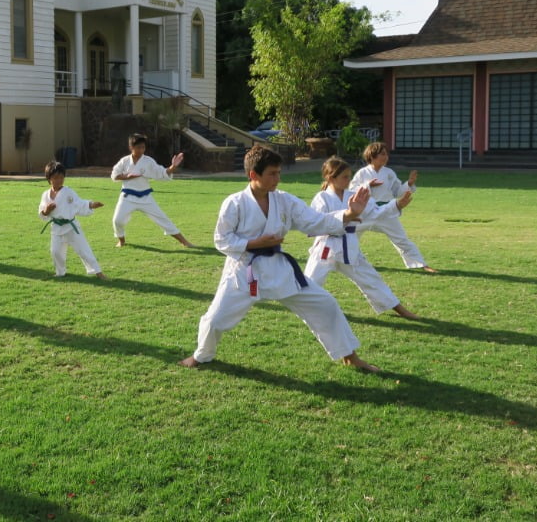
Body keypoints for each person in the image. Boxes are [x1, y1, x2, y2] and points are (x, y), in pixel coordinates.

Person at [179, 145, 379, 373]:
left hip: (279, 268)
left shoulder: (284, 200)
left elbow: (314, 221)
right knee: (214, 320)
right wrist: (254, 243)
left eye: (279, 173)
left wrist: (349, 214)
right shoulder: (234, 203)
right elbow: (221, 240)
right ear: (253, 175)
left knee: (326, 304)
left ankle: (350, 356)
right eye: (272, 174)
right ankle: (201, 355)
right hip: (245, 270)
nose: (278, 178)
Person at [304, 156, 419, 320]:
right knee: (311, 280)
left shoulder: (356, 195)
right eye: (344, 177)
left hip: (349, 247)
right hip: (326, 247)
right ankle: (308, 309)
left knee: (371, 279)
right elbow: (316, 223)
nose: (348, 180)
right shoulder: (321, 198)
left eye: (349, 176)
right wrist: (346, 217)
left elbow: (376, 213)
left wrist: (397, 205)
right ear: (331, 178)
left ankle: (400, 310)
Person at [349, 142, 436, 272]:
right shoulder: (362, 173)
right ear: (372, 156)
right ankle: (347, 260)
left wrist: (409, 183)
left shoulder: (389, 173)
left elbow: (397, 191)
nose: (386, 157)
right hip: (366, 211)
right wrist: (368, 185)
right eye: (382, 154)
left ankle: (420, 264)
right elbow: (351, 190)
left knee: (401, 239)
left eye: (387, 154)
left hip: (387, 211)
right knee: (350, 233)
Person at [110, 133, 193, 248]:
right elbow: (114, 175)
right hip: (127, 196)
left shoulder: (148, 161)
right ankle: (121, 240)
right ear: (131, 147)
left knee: (163, 219)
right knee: (117, 220)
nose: (141, 150)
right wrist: (127, 177)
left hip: (145, 197)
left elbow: (161, 173)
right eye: (138, 147)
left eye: (143, 147)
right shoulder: (124, 161)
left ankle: (185, 242)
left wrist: (172, 167)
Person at [39, 160, 107, 279]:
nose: (59, 180)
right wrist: (46, 210)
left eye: (61, 177)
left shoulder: (68, 192)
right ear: (49, 178)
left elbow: (79, 204)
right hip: (56, 228)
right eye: (55, 178)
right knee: (55, 252)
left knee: (84, 250)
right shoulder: (45, 195)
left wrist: (91, 204)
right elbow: (42, 212)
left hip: (71, 227)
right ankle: (60, 272)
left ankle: (98, 272)